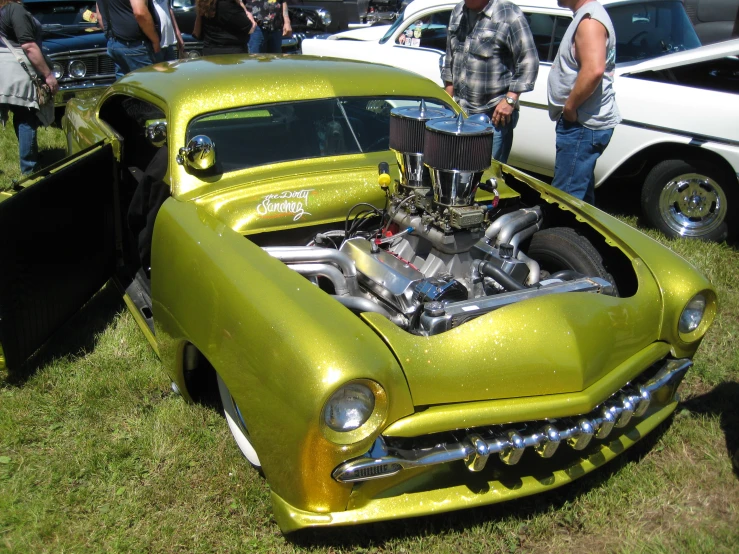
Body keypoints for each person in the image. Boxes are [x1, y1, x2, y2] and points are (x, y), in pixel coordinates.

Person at [442, 0, 538, 164]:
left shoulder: (509, 14)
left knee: (486, 179)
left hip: (492, 118)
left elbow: (529, 60)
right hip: (459, 115)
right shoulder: (458, 11)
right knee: (456, 174)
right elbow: (450, 54)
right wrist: (448, 91)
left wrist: (510, 99)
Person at [547, 0, 621, 204]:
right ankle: (584, 235)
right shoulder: (586, 16)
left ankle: (561, 235)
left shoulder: (589, 21)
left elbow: (594, 70)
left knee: (566, 199)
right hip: (582, 123)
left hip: (582, 124)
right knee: (581, 195)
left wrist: (570, 107)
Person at [0, 0, 59, 175]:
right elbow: (29, 46)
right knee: (26, 117)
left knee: (21, 116)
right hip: (15, 72)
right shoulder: (15, 10)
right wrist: (49, 76)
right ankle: (30, 169)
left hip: (4, 72)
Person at [96, 0, 161, 78]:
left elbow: (100, 17)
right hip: (135, 47)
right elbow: (140, 13)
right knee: (146, 86)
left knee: (125, 87)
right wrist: (155, 40)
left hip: (114, 44)